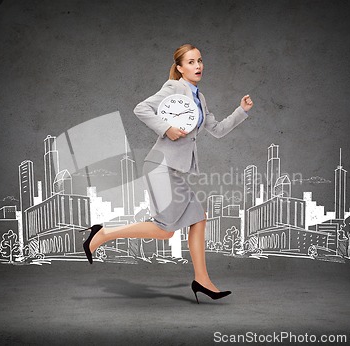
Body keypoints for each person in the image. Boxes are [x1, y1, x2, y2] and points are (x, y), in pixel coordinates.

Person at [81, 44, 254, 304]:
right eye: (192, 62)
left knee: (197, 219)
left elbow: (217, 130)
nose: (198, 66)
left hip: (175, 170)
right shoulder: (174, 88)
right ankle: (103, 234)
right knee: (165, 230)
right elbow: (141, 109)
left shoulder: (200, 98)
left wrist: (242, 111)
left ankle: (202, 280)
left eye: (200, 61)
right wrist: (166, 128)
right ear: (180, 68)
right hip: (160, 166)